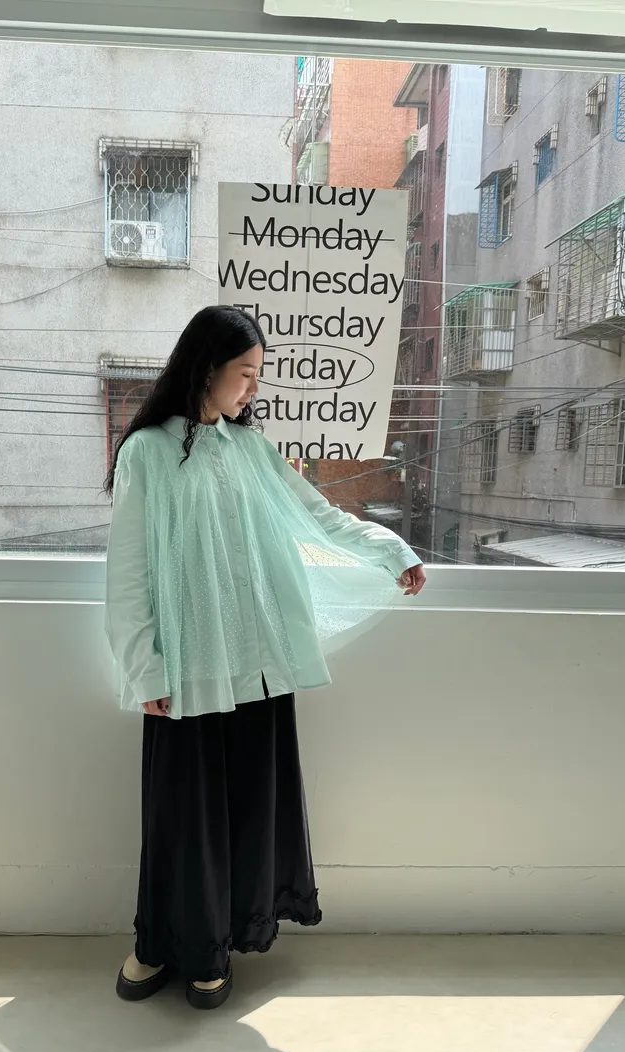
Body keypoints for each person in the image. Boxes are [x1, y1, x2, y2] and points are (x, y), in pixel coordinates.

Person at [105, 305, 425, 1010]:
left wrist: (390, 549)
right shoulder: (147, 453)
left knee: (248, 811)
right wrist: (143, 668)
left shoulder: (250, 449)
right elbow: (127, 574)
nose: (254, 387)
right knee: (182, 818)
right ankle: (162, 943)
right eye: (245, 373)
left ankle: (216, 946)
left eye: (258, 374)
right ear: (206, 368)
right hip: (186, 671)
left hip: (256, 666)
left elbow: (317, 515)